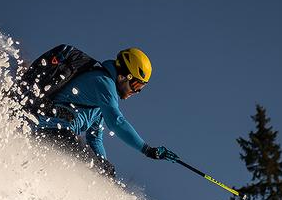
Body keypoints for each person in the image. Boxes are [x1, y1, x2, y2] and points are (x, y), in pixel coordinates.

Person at [32, 47, 178, 177]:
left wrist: (103, 165)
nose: (137, 91)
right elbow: (116, 121)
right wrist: (147, 149)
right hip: (51, 128)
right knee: (86, 165)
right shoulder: (103, 83)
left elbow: (94, 137)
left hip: (58, 132)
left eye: (141, 87)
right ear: (123, 76)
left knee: (98, 168)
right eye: (136, 84)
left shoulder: (102, 99)